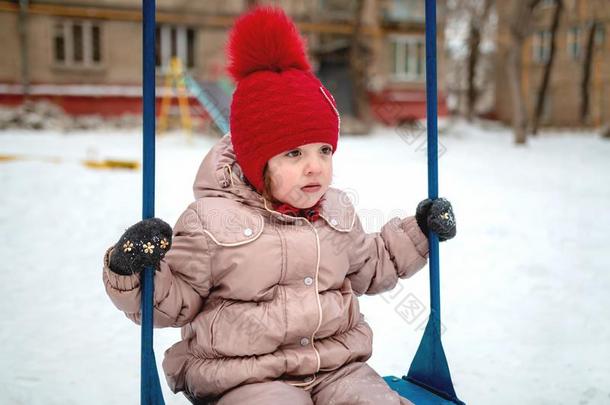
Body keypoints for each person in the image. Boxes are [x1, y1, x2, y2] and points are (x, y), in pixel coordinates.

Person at [102, 6, 456, 405]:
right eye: (293, 153)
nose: (315, 167)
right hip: (245, 378)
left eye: (324, 150)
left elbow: (373, 262)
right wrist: (129, 270)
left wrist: (420, 232)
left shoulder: (335, 211)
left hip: (337, 369)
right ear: (257, 162)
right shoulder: (210, 222)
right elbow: (173, 301)